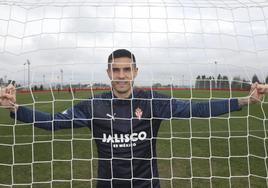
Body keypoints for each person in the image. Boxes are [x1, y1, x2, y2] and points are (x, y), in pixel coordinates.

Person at [0, 49, 266, 188]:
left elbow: (195, 109)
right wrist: (15, 108)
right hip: (108, 184)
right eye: (116, 70)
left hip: (146, 184)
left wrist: (246, 100)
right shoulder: (94, 105)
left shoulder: (152, 101)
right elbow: (52, 122)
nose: (121, 75)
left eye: (127, 69)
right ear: (108, 72)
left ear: (136, 71)